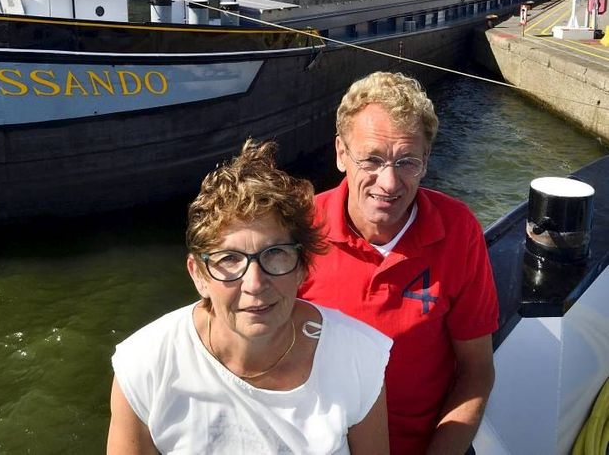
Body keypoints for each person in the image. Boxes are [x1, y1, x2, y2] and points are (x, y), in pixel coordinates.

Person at [108, 140, 392, 454]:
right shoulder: (145, 367)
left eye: (275, 254)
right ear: (199, 275)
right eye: (229, 259)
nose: (254, 283)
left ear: (302, 267)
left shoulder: (358, 358)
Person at [298, 71, 498, 455]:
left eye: (407, 162)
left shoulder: (458, 231)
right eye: (372, 159)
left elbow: (476, 370)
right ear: (341, 153)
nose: (388, 183)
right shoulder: (299, 231)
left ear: (426, 160)